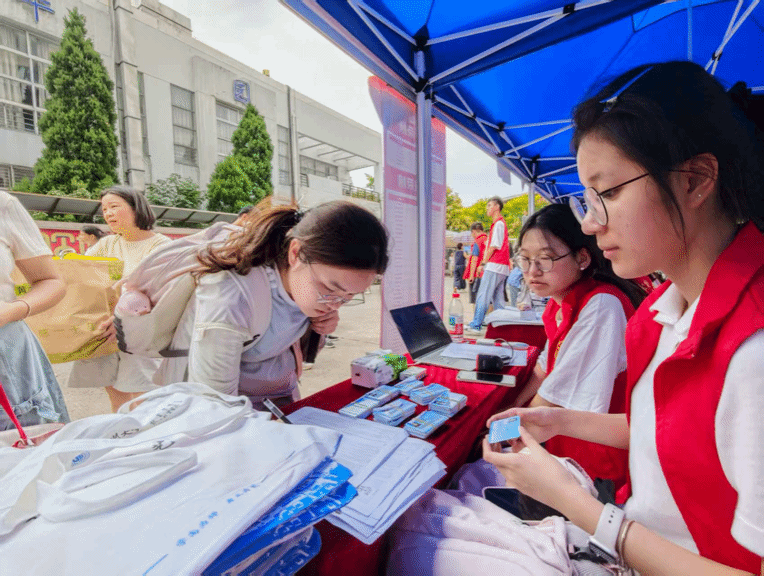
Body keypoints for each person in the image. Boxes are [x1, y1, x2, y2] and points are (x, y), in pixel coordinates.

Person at [481, 62, 764, 573]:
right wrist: (559, 420)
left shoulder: (753, 349)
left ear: (695, 181)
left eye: (608, 193)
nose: (591, 223)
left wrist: (579, 507)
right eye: (587, 200)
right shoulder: (663, 310)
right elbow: (673, 431)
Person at [155, 199, 388, 408]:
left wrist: (319, 330)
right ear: (295, 253)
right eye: (330, 288)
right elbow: (215, 405)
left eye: (349, 296)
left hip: (274, 400)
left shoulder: (304, 284)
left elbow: (289, 348)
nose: (335, 304)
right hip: (222, 412)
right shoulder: (231, 295)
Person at [490, 203, 644, 491]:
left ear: (582, 258)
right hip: (565, 443)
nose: (532, 271)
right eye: (525, 259)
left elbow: (552, 397)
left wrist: (498, 432)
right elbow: (543, 369)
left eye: (545, 259)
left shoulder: (601, 305)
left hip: (595, 463)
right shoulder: (559, 304)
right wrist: (511, 408)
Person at [68, 186, 172, 413]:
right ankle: (122, 432)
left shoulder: (161, 245)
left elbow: (158, 293)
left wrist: (122, 321)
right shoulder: (107, 244)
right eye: (104, 209)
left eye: (114, 206)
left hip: (140, 333)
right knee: (118, 400)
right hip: (105, 330)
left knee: (145, 400)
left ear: (136, 208)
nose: (107, 213)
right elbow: (81, 274)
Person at [0, 190, 70, 430]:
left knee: (21, 443)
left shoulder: (3, 205)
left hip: (6, 354)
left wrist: (12, 311)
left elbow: (51, 281)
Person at [466, 197, 511, 334]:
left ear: (497, 207)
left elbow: (494, 246)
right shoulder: (499, 224)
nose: (487, 208)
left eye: (490, 205)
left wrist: (483, 263)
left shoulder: (498, 224)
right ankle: (502, 327)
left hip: (495, 265)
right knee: (498, 299)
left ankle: (476, 325)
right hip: (501, 266)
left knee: (483, 295)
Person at [464, 222, 487, 307]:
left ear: (473, 231)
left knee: (476, 300)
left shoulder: (477, 241)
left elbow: (474, 259)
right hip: (487, 272)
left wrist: (471, 276)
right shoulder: (488, 240)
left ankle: (476, 315)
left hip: (477, 274)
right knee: (487, 300)